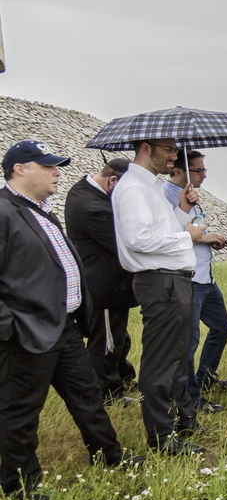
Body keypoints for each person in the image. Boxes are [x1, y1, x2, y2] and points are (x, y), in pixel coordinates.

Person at [1, 141, 142, 500]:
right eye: (47, 166)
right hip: (27, 332)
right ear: (20, 169)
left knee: (88, 396)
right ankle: (20, 486)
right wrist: (9, 328)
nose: (57, 172)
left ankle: (109, 455)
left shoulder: (41, 211)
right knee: (20, 412)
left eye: (57, 166)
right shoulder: (3, 212)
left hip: (64, 328)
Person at [111, 136, 206, 455]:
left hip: (173, 280)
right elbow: (139, 240)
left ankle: (183, 422)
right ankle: (161, 438)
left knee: (177, 357)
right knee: (161, 362)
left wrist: (182, 210)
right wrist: (186, 235)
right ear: (146, 149)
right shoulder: (133, 188)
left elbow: (159, 232)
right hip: (159, 282)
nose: (174, 157)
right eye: (168, 150)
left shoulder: (149, 186)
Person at [165, 149, 227, 412]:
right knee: (189, 340)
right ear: (179, 170)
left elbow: (196, 228)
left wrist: (211, 239)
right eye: (198, 170)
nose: (204, 175)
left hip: (205, 278)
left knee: (222, 326)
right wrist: (208, 237)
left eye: (204, 170)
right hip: (188, 280)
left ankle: (206, 377)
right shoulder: (167, 196)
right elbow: (175, 234)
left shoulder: (192, 195)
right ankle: (190, 398)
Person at [64, 155, 137, 405]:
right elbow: (124, 243)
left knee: (118, 338)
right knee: (105, 342)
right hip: (102, 287)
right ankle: (106, 394)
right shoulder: (90, 206)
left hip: (110, 286)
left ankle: (122, 378)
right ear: (113, 181)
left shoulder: (88, 193)